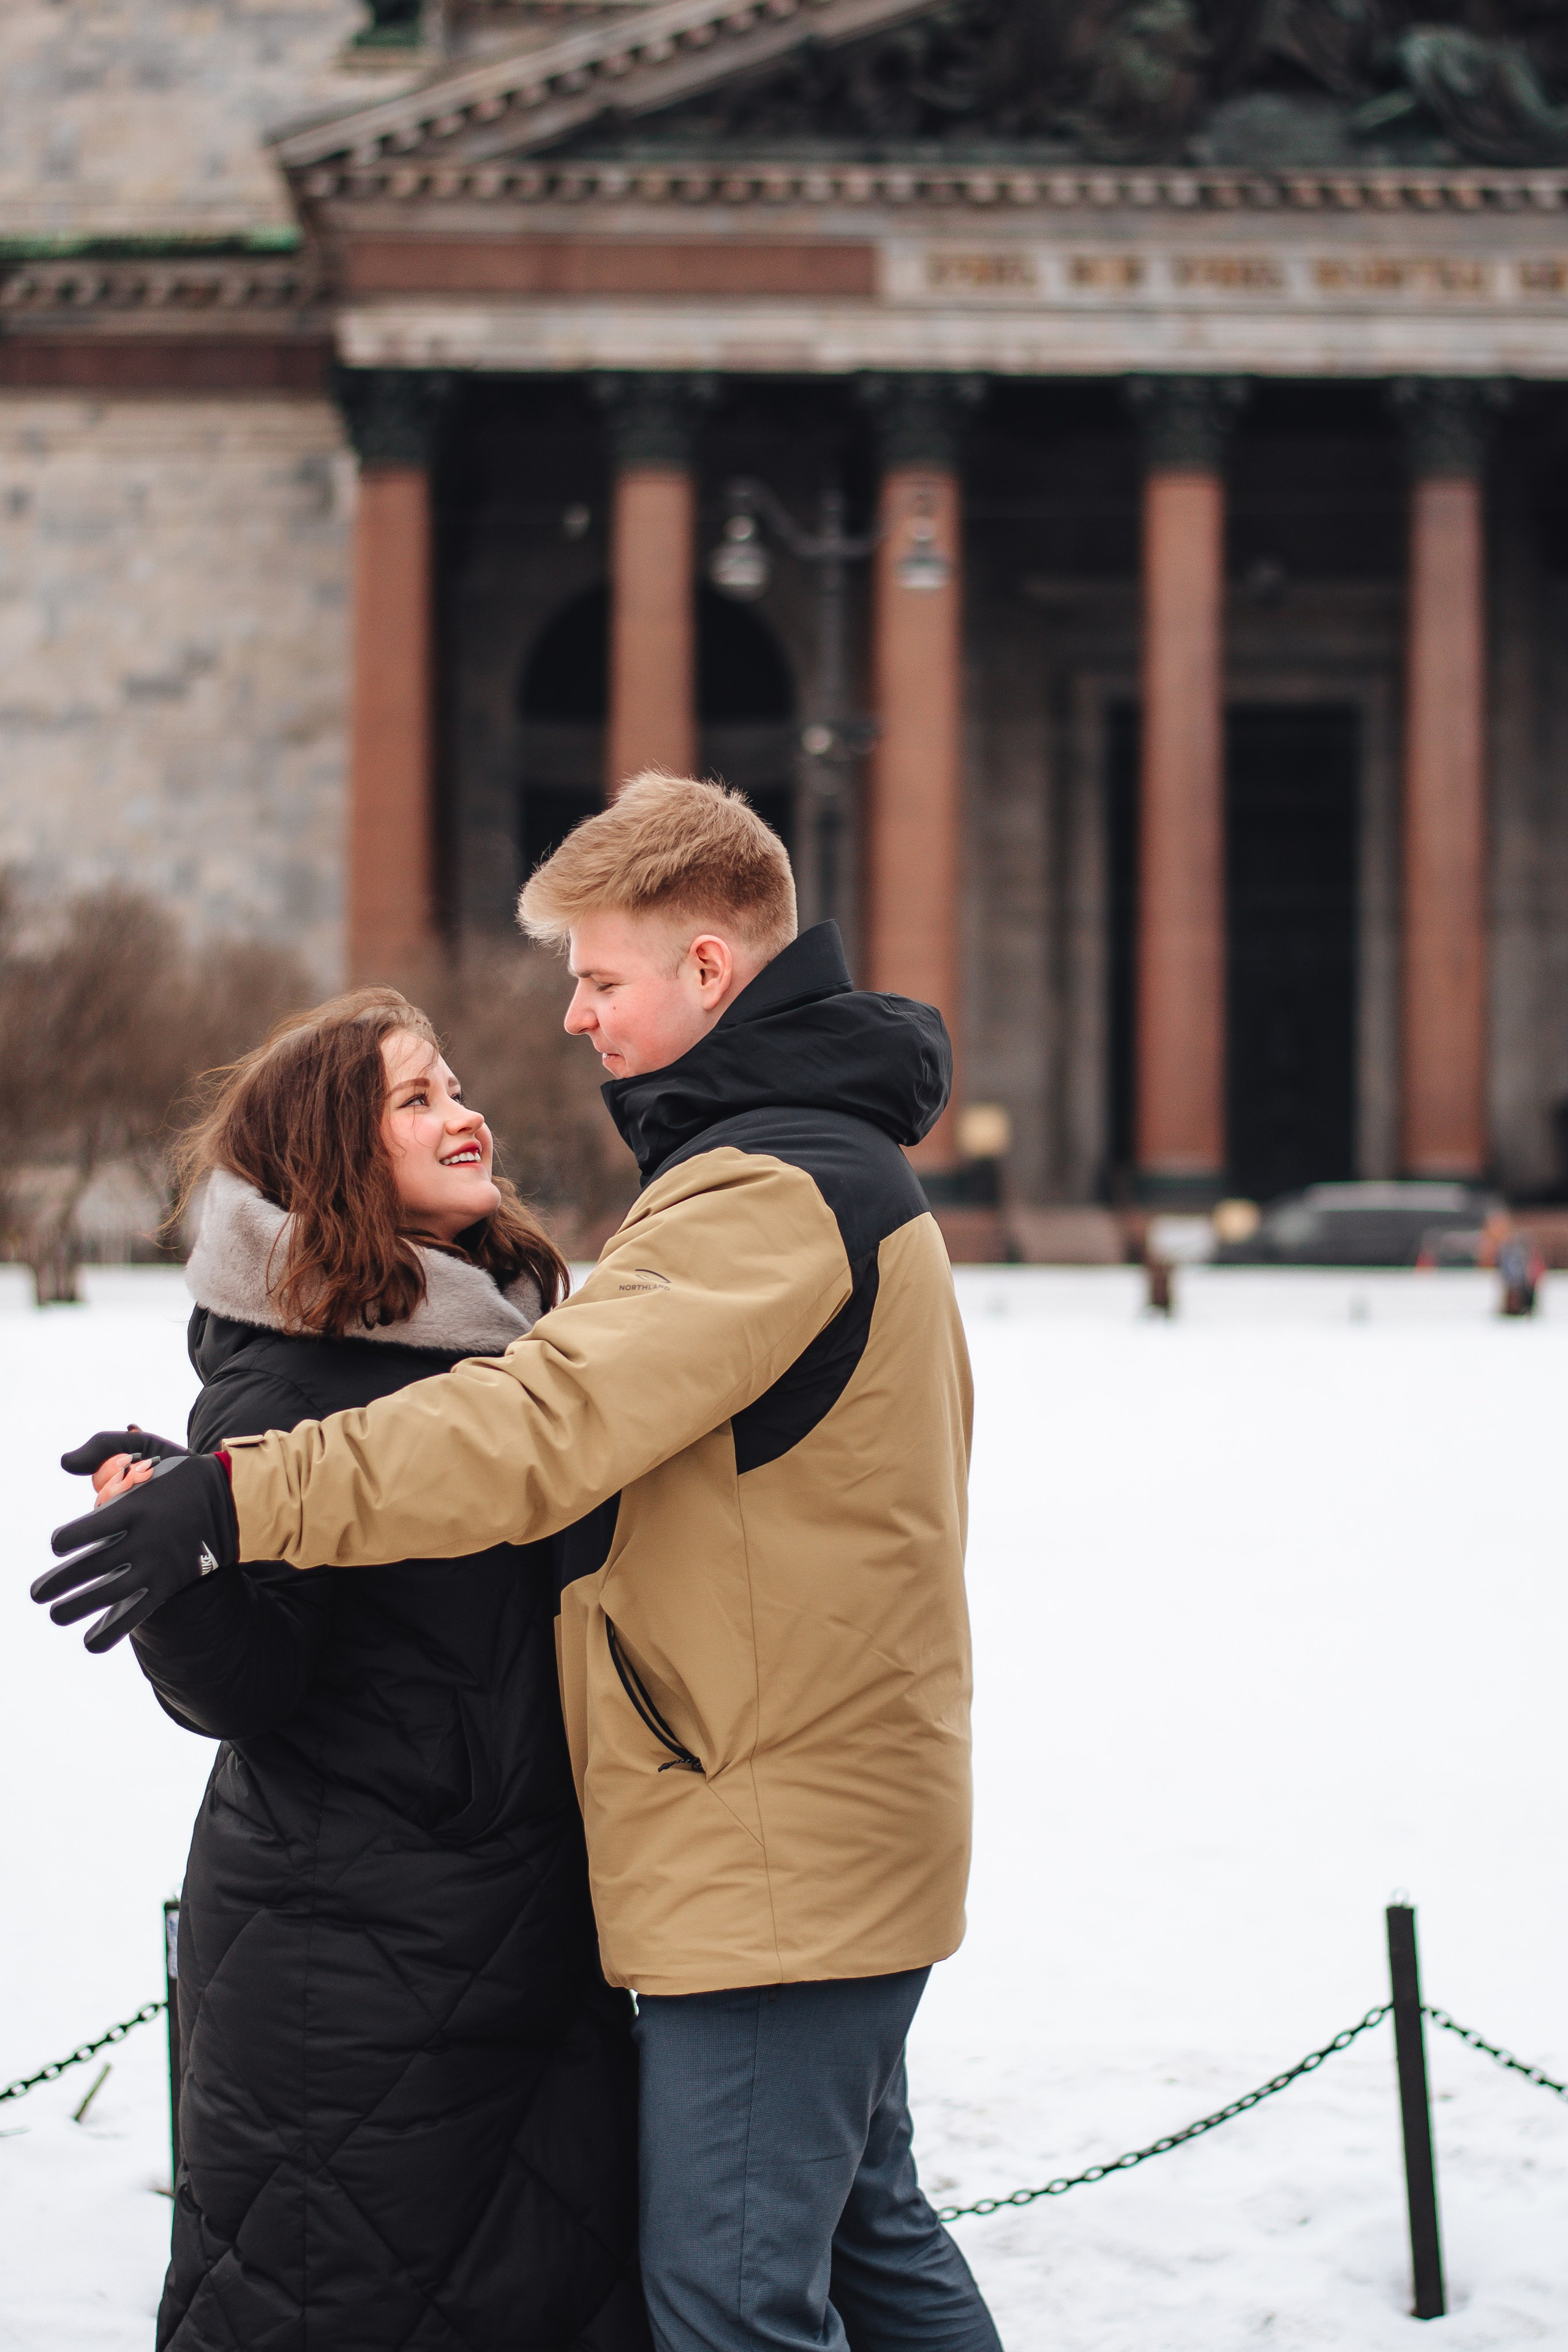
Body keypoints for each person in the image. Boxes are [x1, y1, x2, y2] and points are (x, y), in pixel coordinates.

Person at [42, 775, 1002, 2352]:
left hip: (756, 1841)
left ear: (707, 971)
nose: (566, 1020)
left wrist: (230, 1500)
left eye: (597, 979)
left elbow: (538, 1427)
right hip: (631, 1875)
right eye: (412, 1096)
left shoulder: (761, 1193)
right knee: (861, 2244)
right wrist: (210, 1520)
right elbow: (272, 1667)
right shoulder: (783, 1173)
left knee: (739, 2297)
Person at [50, 990, 649, 2352]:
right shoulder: (287, 1383)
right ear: (334, 1152)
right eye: (418, 1099)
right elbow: (247, 1695)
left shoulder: (506, 1337)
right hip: (357, 1963)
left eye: (454, 1086)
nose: (464, 1113)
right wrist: (184, 1567)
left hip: (519, 1930)